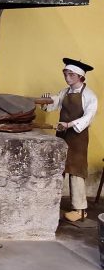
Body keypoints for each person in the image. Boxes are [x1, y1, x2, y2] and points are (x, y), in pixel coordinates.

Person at [42, 57, 98, 222]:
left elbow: (88, 117)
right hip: (62, 135)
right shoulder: (64, 92)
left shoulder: (89, 96)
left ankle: (79, 210)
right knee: (59, 168)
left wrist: (69, 124)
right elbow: (52, 104)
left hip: (78, 138)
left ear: (81, 76)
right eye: (65, 74)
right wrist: (45, 101)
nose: (67, 78)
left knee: (75, 171)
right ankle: (52, 201)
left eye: (71, 75)